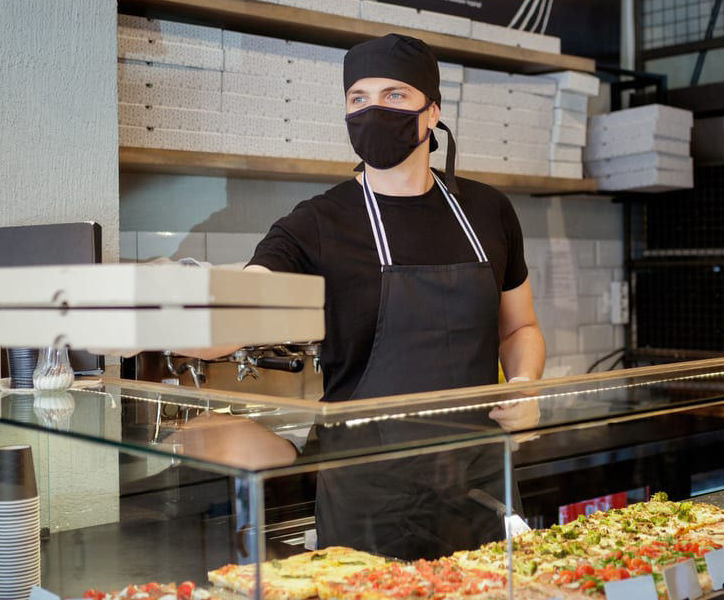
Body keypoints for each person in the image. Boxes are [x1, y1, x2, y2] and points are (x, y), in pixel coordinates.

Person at [193, 33, 545, 559]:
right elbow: (243, 305)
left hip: (479, 482)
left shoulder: (488, 211)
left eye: (394, 95)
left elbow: (519, 328)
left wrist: (524, 386)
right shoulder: (316, 223)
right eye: (358, 98)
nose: (373, 109)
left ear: (433, 113)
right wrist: (146, 322)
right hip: (368, 495)